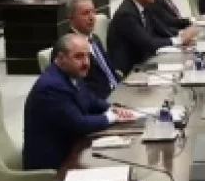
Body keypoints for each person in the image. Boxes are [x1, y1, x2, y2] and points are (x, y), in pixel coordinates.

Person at [23, 35, 136, 171]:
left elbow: (90, 100)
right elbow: (80, 123)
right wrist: (112, 116)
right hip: (53, 166)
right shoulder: (52, 87)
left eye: (87, 56)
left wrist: (112, 108)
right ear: (61, 58)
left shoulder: (70, 74)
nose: (86, 63)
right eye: (79, 57)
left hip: (72, 148)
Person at [108, 0, 199, 75]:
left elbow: (161, 29)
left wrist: (182, 34)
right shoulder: (126, 14)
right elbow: (148, 43)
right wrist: (180, 40)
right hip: (131, 70)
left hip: (147, 60)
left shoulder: (145, 5)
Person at [66, 0, 119, 102]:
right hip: (101, 102)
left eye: (93, 12)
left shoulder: (95, 39)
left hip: (118, 93)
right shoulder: (68, 47)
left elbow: (109, 71)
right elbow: (79, 90)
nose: (91, 17)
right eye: (85, 13)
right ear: (71, 18)